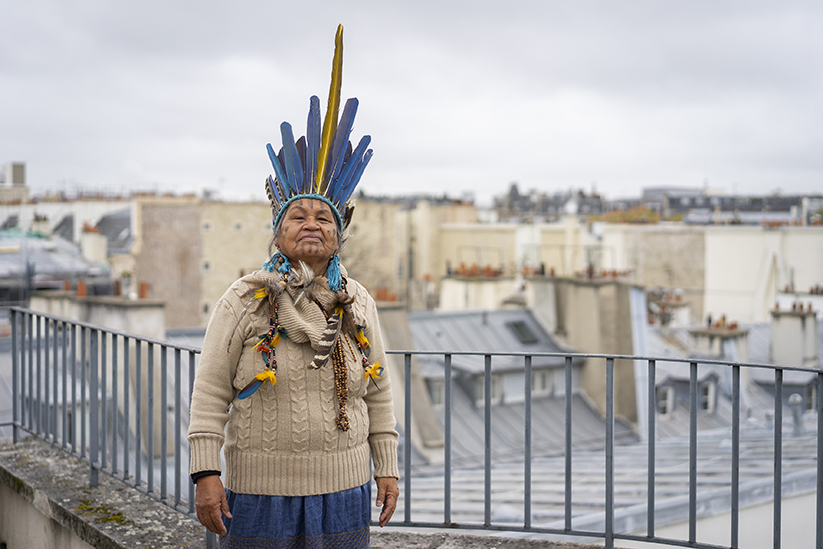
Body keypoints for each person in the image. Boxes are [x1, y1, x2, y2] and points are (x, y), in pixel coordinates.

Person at [187, 25, 399, 548]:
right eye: (297, 216)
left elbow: (380, 391)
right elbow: (210, 391)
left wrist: (386, 467)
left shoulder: (357, 301)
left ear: (338, 234)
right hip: (260, 496)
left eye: (323, 218)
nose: (311, 223)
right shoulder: (244, 299)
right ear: (278, 233)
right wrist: (204, 474)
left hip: (346, 489)